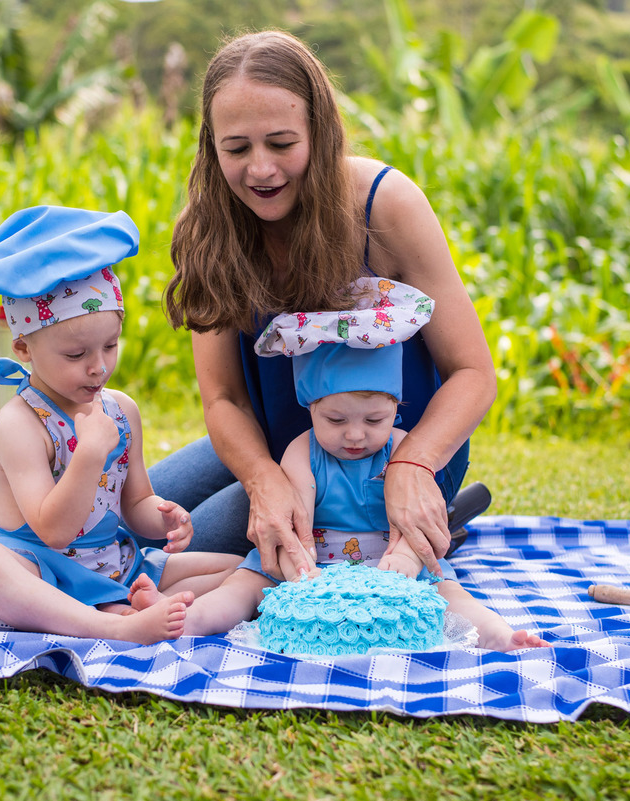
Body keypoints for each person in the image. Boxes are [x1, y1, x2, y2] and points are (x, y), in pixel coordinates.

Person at [155, 29, 497, 582]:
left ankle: (410, 520)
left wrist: (413, 464)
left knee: (168, 556)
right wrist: (263, 478)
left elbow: (473, 373)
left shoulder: (385, 204)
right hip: (274, 443)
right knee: (119, 520)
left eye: (282, 144)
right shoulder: (210, 228)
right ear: (209, 144)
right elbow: (224, 398)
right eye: (236, 148)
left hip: (382, 455)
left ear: (321, 132)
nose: (260, 169)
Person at [132, 282, 547, 652]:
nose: (354, 435)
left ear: (396, 408)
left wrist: (403, 563)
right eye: (335, 420)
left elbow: (411, 521)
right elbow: (296, 519)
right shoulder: (301, 452)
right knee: (243, 585)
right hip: (311, 562)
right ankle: (188, 620)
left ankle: (497, 634)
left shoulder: (401, 452)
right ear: (310, 406)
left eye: (373, 420)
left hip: (388, 560)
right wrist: (303, 575)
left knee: (449, 593)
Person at [0, 205, 240, 644]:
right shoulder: (20, 424)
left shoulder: (120, 410)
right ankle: (111, 624)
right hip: (39, 572)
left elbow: (135, 501)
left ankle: (140, 604)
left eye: (110, 345)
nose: (98, 367)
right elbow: (52, 530)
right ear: (24, 348)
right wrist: (88, 452)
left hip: (114, 563)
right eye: (75, 355)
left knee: (246, 568)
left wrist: (165, 518)